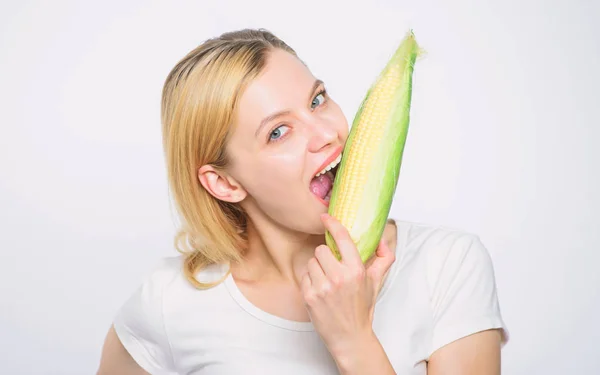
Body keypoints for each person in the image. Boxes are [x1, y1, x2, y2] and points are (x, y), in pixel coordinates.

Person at [96, 28, 509, 375]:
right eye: (279, 132)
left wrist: (355, 341)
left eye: (317, 100)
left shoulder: (447, 265)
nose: (327, 133)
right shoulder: (169, 301)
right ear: (223, 182)